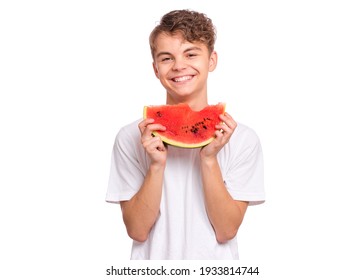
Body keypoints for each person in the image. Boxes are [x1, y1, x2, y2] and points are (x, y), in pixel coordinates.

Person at [106, 9, 265, 260]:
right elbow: (137, 230)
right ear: (156, 69)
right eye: (166, 58)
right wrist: (156, 166)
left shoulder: (243, 139)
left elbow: (226, 230)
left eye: (191, 54)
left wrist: (209, 159)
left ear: (211, 60)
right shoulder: (131, 137)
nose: (179, 66)